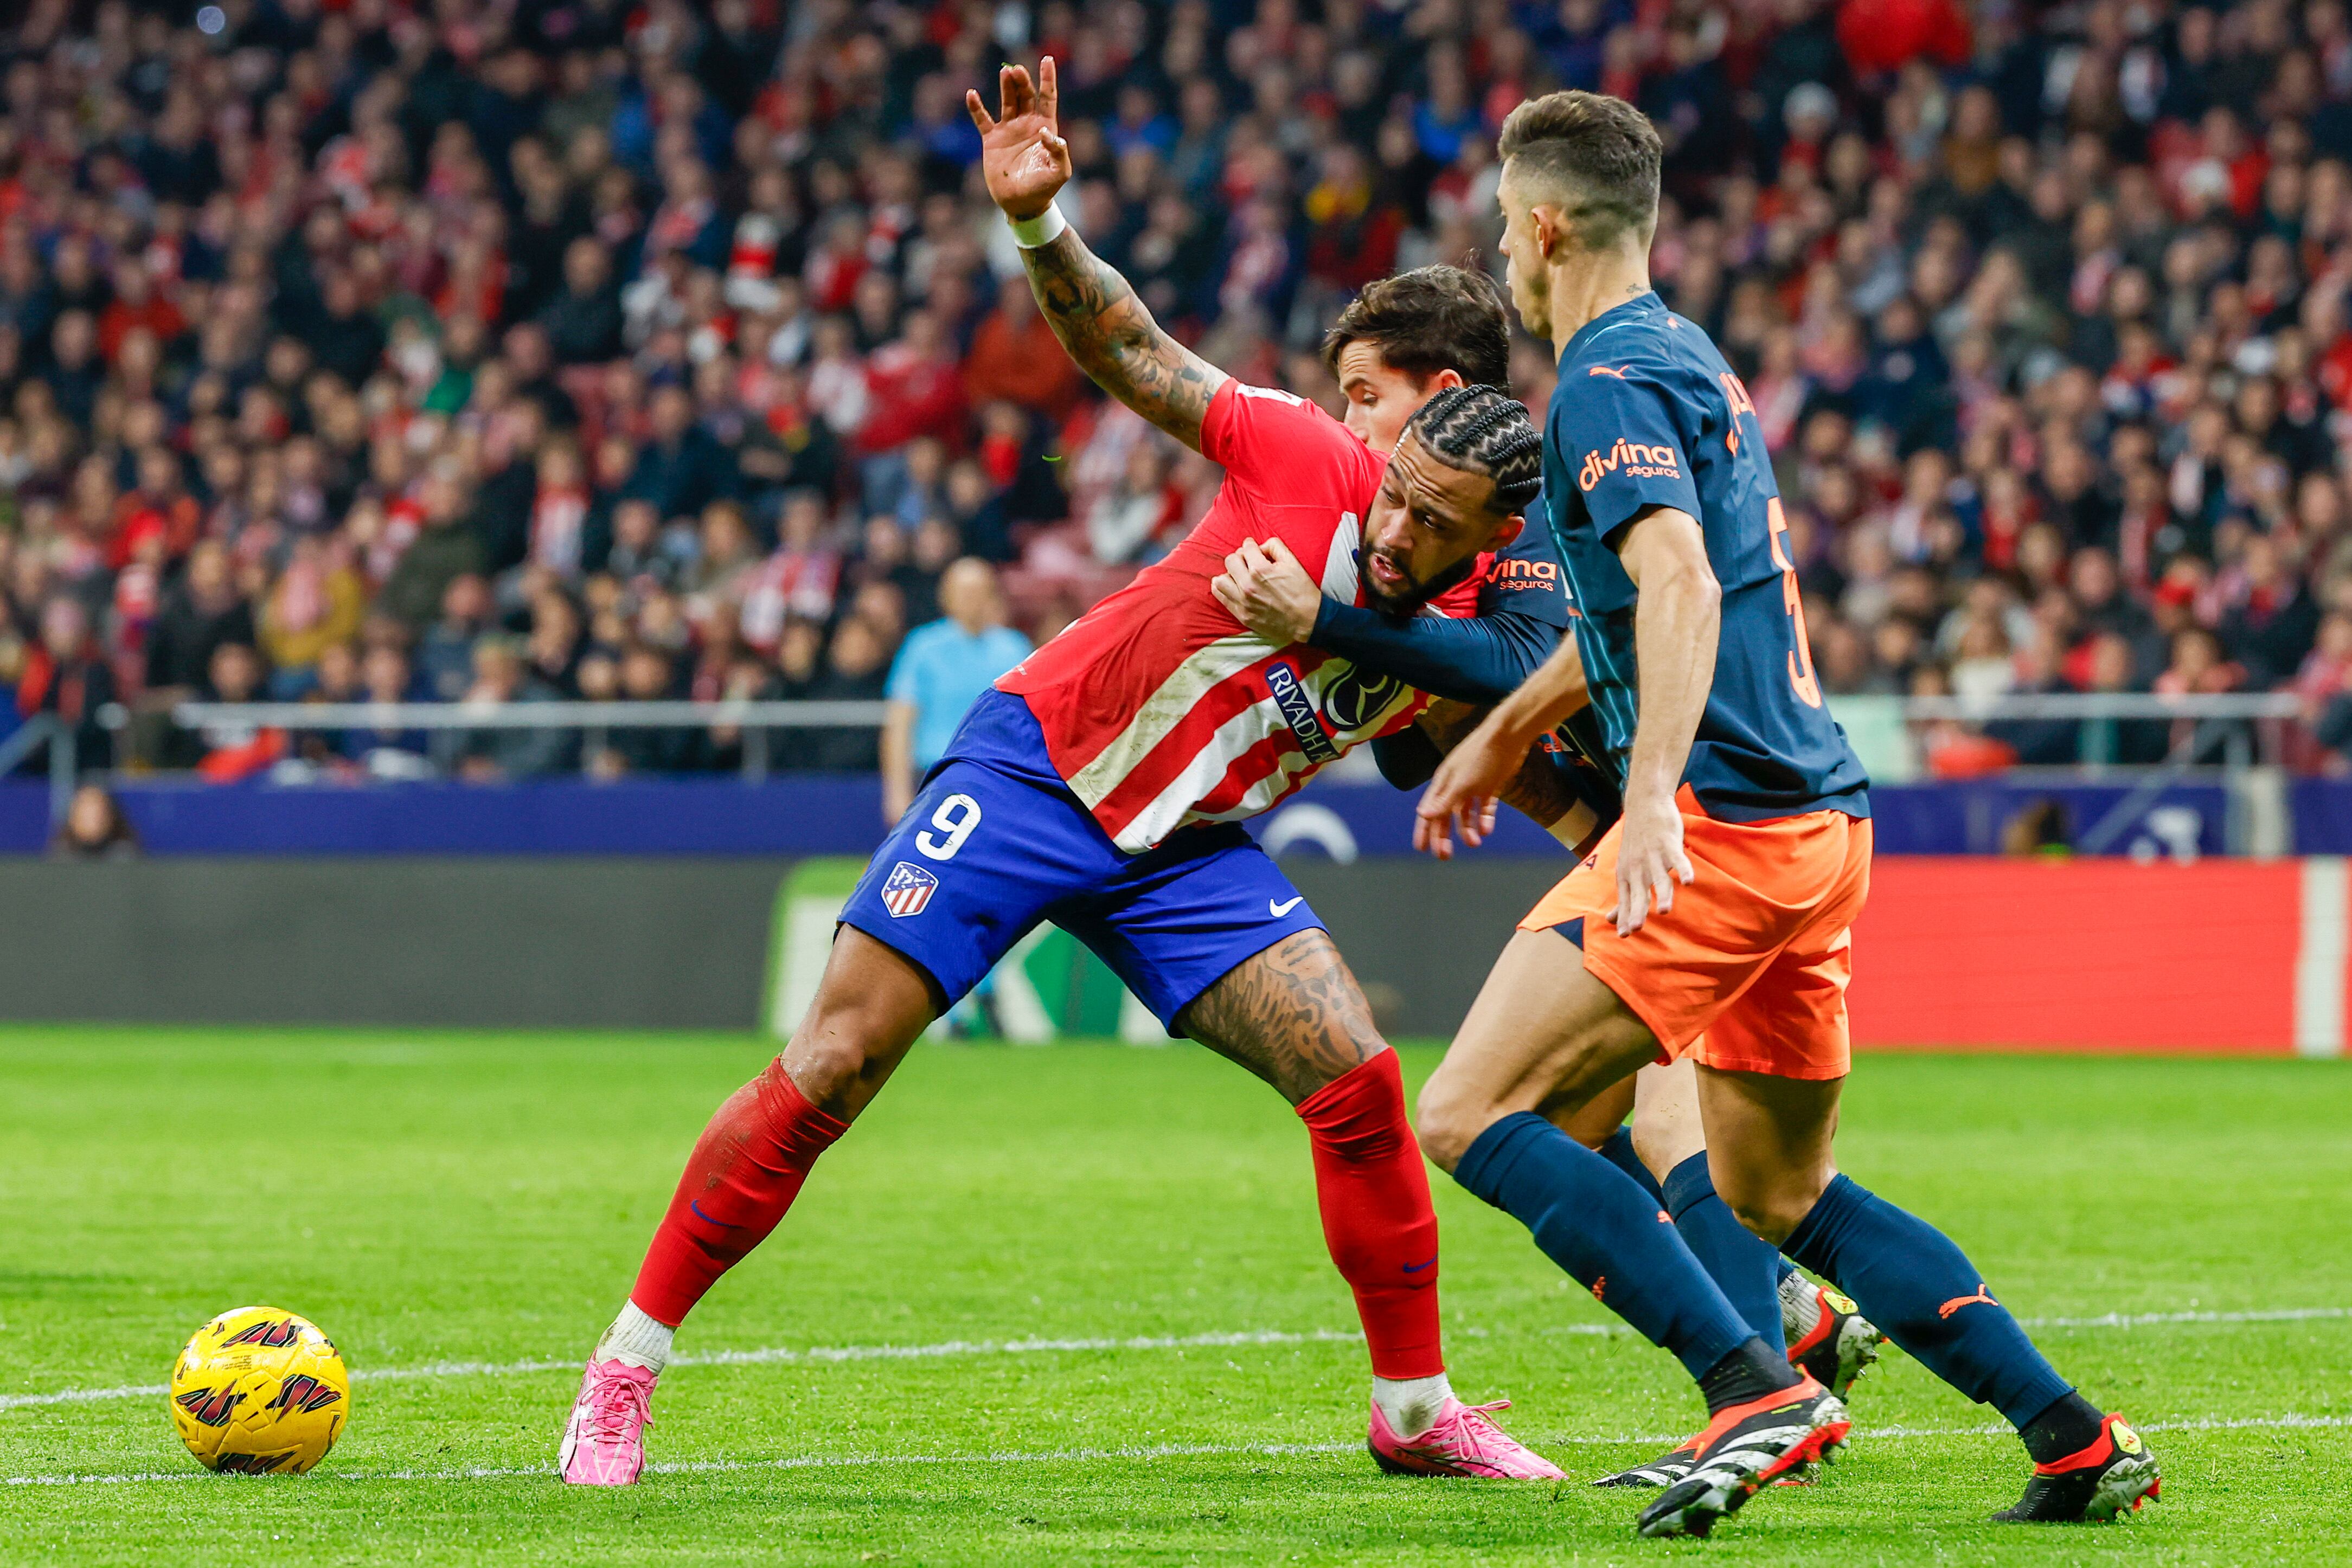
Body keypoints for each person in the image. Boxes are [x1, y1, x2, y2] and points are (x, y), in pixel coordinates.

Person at [557, 59, 1579, 1489]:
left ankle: (1414, 1407)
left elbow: (1505, 680)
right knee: (838, 1057)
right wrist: (1043, 228)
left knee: (1355, 1077)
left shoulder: (1471, 609)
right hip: (1041, 764)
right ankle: (625, 1366)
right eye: (1358, 410)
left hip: (1186, 844)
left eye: (1378, 402)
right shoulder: (1300, 451)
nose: (1364, 439)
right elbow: (1135, 353)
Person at [1409, 91, 2159, 1537]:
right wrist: (1508, 726)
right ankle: (2074, 1436)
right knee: (1776, 1183)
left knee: (1468, 1105)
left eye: (1507, 218)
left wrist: (1644, 800)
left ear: (1546, 224)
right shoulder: (1687, 358)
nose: (1501, 243)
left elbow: (1681, 583)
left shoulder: (1607, 385)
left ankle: (1754, 1385)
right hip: (1820, 827)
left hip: (1724, 824)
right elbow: (1653, 599)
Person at [880, 558, 1032, 824]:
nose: (971, 600)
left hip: (999, 779)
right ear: (946, 596)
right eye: (963, 592)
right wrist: (896, 791)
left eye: (978, 591)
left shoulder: (1014, 647)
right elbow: (900, 723)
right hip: (932, 777)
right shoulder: (922, 646)